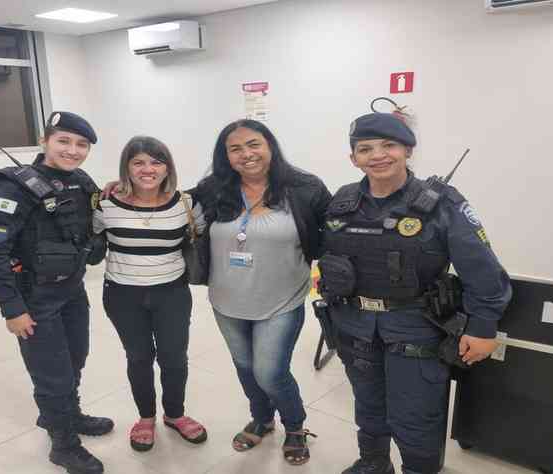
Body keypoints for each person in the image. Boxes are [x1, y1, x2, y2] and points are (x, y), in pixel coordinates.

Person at [318, 112, 512, 474]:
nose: (378, 155)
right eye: (365, 149)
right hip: (355, 325)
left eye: (389, 145)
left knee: (416, 415)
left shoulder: (442, 204)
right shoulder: (342, 202)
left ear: (408, 150)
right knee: (369, 406)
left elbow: (482, 269)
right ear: (353, 158)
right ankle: (373, 464)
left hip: (415, 326)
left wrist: (483, 326)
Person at [0, 111, 113, 474]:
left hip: (72, 290)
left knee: (75, 359)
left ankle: (71, 414)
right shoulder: (15, 187)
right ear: (44, 141)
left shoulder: (81, 181)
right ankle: (63, 445)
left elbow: (93, 222)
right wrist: (12, 309)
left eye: (81, 144)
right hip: (35, 301)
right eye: (63, 141)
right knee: (52, 374)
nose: (73, 150)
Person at [191, 119, 332, 465]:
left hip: (282, 300)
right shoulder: (212, 189)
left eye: (253, 144)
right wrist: (119, 188)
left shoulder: (304, 187)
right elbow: (163, 199)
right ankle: (263, 418)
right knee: (245, 366)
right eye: (235, 148)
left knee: (270, 371)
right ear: (225, 156)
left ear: (270, 145)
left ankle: (295, 425)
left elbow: (333, 235)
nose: (246, 154)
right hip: (226, 300)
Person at [92, 136, 208, 452]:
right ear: (126, 168)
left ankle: (175, 414)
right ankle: (146, 418)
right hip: (122, 295)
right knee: (139, 358)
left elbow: (206, 236)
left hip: (171, 293)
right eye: (138, 162)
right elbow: (85, 237)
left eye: (156, 162)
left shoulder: (186, 203)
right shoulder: (103, 203)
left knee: (174, 358)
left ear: (167, 167)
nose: (148, 169)